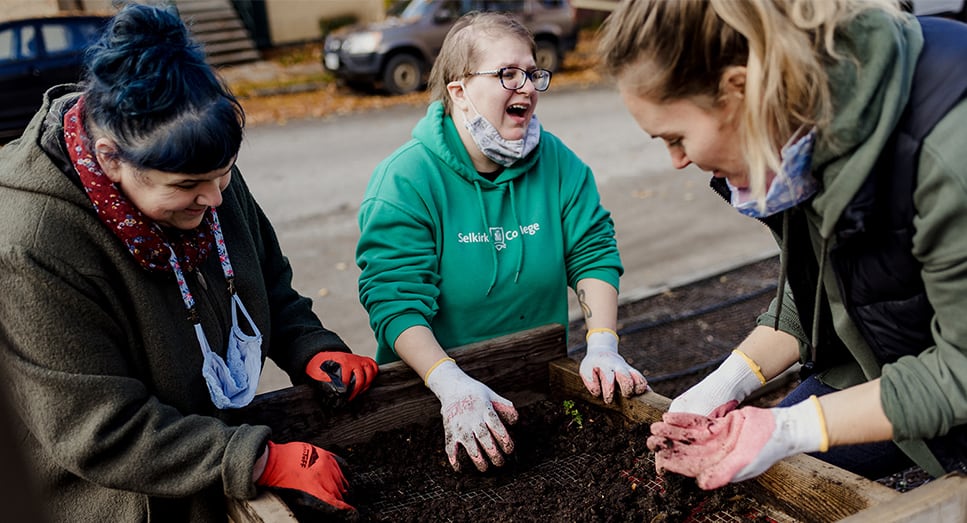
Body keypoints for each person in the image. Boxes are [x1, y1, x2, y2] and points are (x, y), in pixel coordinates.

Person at [0, 4, 378, 521]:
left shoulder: (201, 163)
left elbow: (264, 274)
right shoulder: (32, 246)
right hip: (121, 499)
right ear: (110, 158)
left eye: (224, 176)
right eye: (187, 188)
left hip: (207, 452)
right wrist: (257, 459)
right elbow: (99, 431)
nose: (215, 200)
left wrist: (307, 343)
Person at [599, 0, 967, 489]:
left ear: (739, 88)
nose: (677, 161)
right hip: (899, 359)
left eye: (677, 137)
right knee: (755, 476)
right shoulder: (796, 125)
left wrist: (787, 427)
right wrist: (725, 384)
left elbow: (960, 373)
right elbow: (822, 285)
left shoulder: (948, 154)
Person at [355, 11, 648, 473]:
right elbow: (395, 301)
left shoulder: (557, 163)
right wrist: (451, 385)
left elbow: (592, 252)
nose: (527, 87)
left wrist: (603, 344)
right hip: (430, 400)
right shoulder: (406, 180)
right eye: (507, 74)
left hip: (536, 382)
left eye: (532, 73)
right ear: (459, 91)